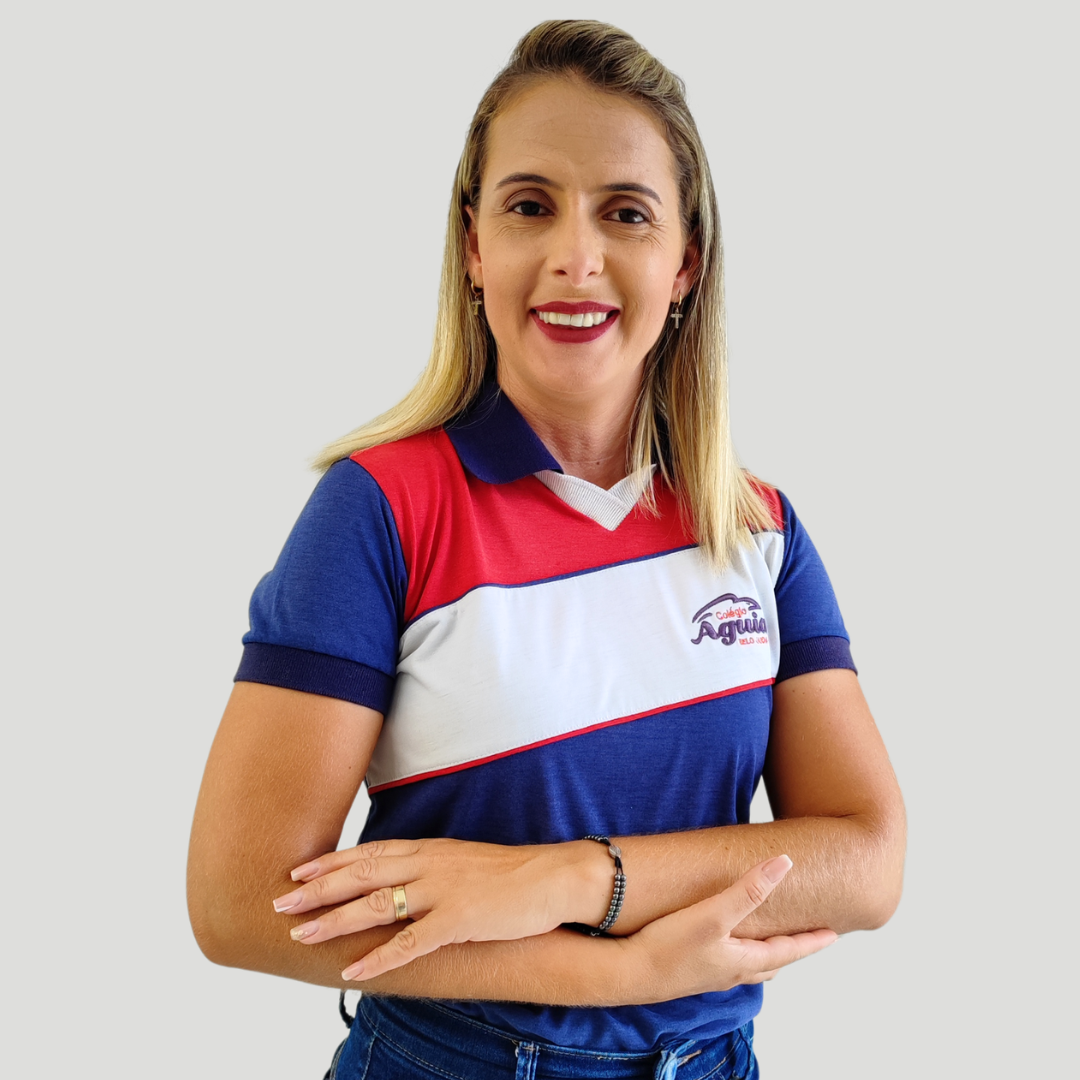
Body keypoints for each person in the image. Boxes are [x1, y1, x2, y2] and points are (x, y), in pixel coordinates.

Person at [187, 19, 905, 1080]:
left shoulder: (759, 529)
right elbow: (239, 902)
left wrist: (568, 881)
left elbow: (866, 862)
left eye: (626, 212)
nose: (576, 256)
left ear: (685, 264)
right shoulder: (380, 509)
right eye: (530, 206)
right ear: (475, 249)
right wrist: (620, 972)